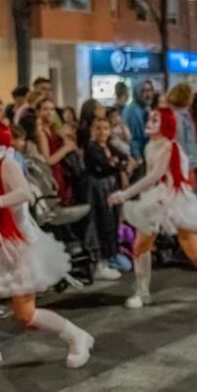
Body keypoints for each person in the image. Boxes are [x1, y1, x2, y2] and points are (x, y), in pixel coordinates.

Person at [0, 119, 93, 369]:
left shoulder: (7, 163)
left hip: (19, 247)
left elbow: (24, 194)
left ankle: (78, 336)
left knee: (25, 314)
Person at [108, 108, 197, 309]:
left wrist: (125, 194)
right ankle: (141, 293)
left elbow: (154, 176)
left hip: (177, 200)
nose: (150, 122)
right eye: (150, 118)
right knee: (141, 246)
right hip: (157, 199)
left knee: (196, 253)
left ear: (166, 124)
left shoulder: (169, 147)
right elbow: (153, 179)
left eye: (155, 119)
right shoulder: (151, 145)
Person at [84, 116, 128, 281]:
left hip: (110, 187)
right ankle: (100, 263)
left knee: (112, 221)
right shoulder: (92, 148)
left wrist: (115, 163)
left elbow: (123, 159)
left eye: (105, 128)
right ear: (93, 131)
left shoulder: (110, 147)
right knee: (102, 222)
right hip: (98, 190)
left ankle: (111, 256)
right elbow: (102, 166)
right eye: (99, 128)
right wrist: (113, 164)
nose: (102, 132)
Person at [124, 78, 156, 160]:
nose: (148, 94)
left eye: (150, 90)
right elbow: (132, 139)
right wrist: (138, 158)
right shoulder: (132, 111)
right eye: (144, 91)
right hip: (138, 156)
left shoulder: (146, 108)